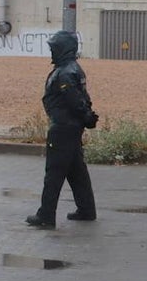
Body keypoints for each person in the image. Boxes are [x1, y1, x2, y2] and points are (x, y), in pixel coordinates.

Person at [26, 31, 98, 228]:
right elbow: (83, 98)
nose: (51, 52)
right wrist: (87, 116)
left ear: (63, 49)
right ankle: (86, 210)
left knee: (54, 173)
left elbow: (75, 100)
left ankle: (46, 216)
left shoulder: (65, 72)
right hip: (71, 128)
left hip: (63, 128)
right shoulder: (73, 69)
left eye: (54, 48)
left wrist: (85, 115)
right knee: (76, 171)